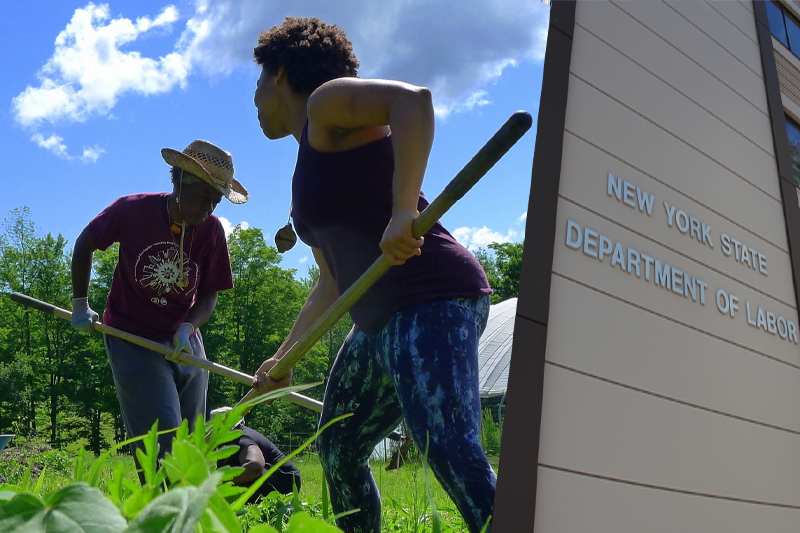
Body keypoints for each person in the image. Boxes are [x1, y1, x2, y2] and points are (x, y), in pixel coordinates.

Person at [250, 17, 495, 533]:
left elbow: (413, 100)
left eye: (256, 82)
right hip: (376, 322)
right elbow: (332, 284)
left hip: (432, 296)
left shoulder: (325, 102)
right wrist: (283, 358)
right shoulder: (307, 166)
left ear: (279, 75)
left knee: (445, 443)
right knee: (339, 448)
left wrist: (404, 210)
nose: (253, 99)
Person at [70, 140, 248, 477]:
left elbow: (210, 294)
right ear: (180, 183)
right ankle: (162, 517)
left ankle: (188, 518)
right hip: (132, 336)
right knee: (163, 443)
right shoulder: (132, 210)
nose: (209, 208)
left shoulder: (211, 231)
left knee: (191, 443)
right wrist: (81, 304)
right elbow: (85, 243)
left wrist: (188, 327)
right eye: (204, 197)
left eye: (216, 200)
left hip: (184, 338)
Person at [211, 407, 301, 501]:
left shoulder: (242, 439)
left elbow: (255, 466)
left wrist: (219, 481)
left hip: (285, 480)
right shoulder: (224, 444)